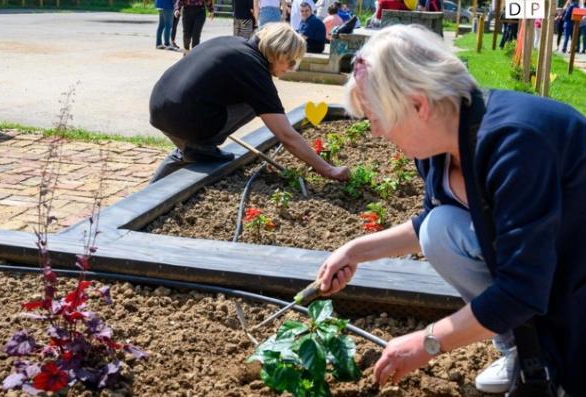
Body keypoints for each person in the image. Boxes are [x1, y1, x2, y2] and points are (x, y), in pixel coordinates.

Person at [316, 24, 586, 396]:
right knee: (439, 230)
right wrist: (356, 250)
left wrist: (428, 342)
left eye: (375, 117)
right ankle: (523, 351)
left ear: (417, 105)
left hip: (575, 271)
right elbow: (436, 221)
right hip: (548, 263)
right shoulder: (439, 146)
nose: (375, 132)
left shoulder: (517, 143)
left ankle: (551, 359)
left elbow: (523, 288)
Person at [149, 23, 350, 183]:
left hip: (160, 107)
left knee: (188, 151)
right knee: (259, 103)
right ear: (278, 53)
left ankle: (152, 192)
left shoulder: (235, 43)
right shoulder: (254, 70)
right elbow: (285, 135)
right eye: (291, 62)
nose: (292, 68)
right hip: (184, 119)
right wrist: (327, 169)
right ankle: (201, 147)